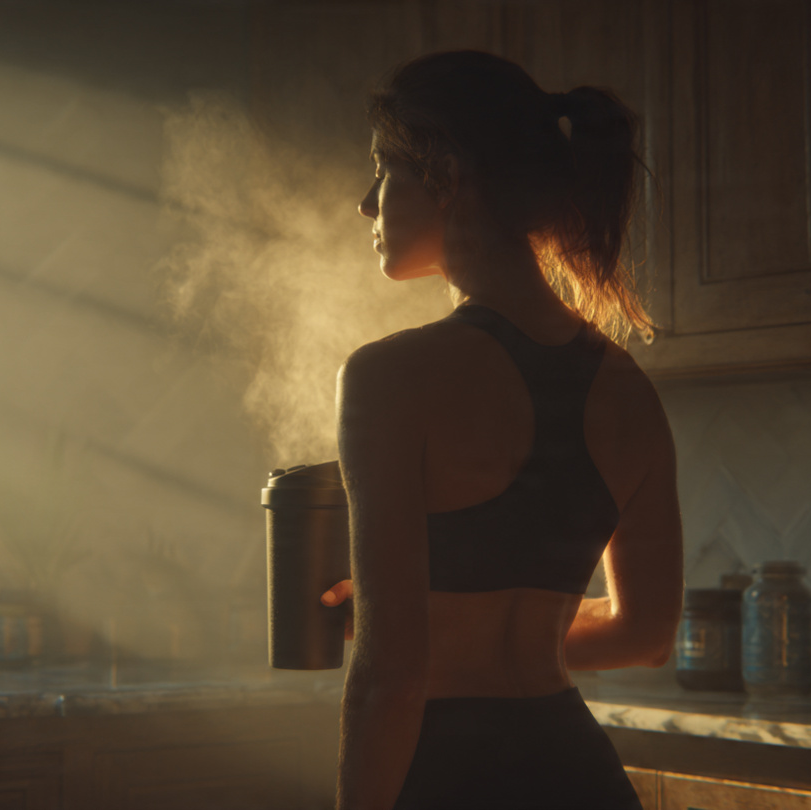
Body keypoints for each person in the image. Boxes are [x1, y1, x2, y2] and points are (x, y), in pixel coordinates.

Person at [319, 50, 683, 810]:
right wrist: (480, 632)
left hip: (451, 777)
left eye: (384, 169)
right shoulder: (629, 388)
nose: (366, 202)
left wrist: (415, 629)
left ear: (446, 174)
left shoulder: (391, 377)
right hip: (579, 775)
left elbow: (390, 677)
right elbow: (644, 634)